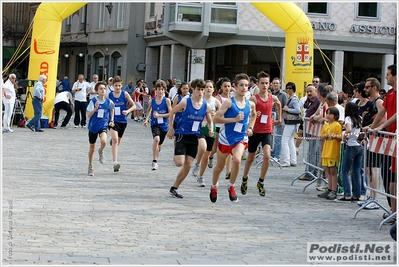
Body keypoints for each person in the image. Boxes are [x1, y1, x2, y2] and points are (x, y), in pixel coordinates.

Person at [209, 73, 256, 203]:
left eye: (246, 85)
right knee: (219, 167)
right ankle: (214, 186)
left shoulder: (250, 104)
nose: (244, 88)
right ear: (235, 87)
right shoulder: (229, 102)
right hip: (226, 138)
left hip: (241, 137)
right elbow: (216, 118)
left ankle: (232, 186)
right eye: (241, 85)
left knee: (237, 159)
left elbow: (253, 115)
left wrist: (250, 127)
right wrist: (233, 119)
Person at [166, 78, 214, 199]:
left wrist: (211, 128)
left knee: (187, 165)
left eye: (202, 89)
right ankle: (178, 152)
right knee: (179, 163)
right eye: (198, 89)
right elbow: (172, 112)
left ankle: (174, 188)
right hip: (182, 134)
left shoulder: (205, 105)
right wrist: (171, 128)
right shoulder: (185, 102)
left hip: (194, 136)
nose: (201, 92)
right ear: (193, 89)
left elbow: (209, 118)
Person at [240, 71, 281, 197]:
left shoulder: (272, 97)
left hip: (267, 130)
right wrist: (254, 114)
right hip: (255, 131)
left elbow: (279, 104)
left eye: (267, 83)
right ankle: (245, 178)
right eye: (262, 83)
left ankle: (261, 181)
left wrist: (279, 119)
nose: (265, 85)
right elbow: (247, 111)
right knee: (251, 158)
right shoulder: (254, 98)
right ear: (257, 84)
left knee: (267, 156)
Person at [369, 65, 397, 221]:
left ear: (395, 76)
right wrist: (373, 128)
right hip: (388, 141)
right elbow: (382, 112)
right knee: (388, 178)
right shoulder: (391, 93)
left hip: (394, 138)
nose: (385, 77)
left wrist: (381, 127)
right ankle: (393, 211)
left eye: (388, 74)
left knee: (394, 180)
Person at [192, 80, 221, 187]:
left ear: (214, 89)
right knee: (202, 147)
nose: (208, 89)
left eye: (210, 87)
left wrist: (216, 114)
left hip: (211, 129)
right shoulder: (199, 100)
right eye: (206, 87)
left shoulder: (216, 101)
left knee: (207, 155)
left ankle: (201, 176)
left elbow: (222, 112)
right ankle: (197, 164)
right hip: (200, 128)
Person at [335, 102, 363, 202]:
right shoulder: (359, 118)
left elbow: (349, 129)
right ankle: (356, 194)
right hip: (359, 146)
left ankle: (347, 194)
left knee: (345, 170)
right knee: (356, 171)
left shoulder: (348, 118)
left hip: (351, 145)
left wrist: (345, 135)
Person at [86, 81, 115, 176]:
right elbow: (88, 115)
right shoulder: (93, 101)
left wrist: (111, 120)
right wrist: (95, 109)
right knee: (92, 148)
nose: (103, 90)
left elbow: (112, 109)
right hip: (93, 126)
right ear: (97, 91)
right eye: (101, 89)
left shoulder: (108, 101)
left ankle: (101, 151)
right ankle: (90, 166)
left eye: (104, 88)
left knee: (104, 141)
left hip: (103, 125)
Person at [108, 76, 136, 172]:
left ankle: (114, 140)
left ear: (122, 85)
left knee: (117, 141)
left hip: (123, 121)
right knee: (115, 140)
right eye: (115, 85)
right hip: (112, 120)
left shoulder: (125, 94)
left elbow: (134, 106)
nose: (117, 87)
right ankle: (115, 162)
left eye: (119, 85)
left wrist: (127, 111)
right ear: (112, 86)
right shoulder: (109, 95)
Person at [143, 80, 172, 171]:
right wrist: (146, 120)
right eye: (158, 89)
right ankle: (154, 161)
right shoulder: (152, 101)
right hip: (155, 124)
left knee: (159, 144)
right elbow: (148, 110)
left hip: (164, 125)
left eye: (162, 89)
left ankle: (157, 151)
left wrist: (160, 115)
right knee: (156, 139)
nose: (160, 91)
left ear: (164, 90)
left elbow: (170, 113)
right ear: (155, 90)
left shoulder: (167, 100)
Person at [208, 77, 233, 180]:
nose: (227, 88)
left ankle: (228, 171)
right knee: (215, 148)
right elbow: (214, 111)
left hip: (229, 126)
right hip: (219, 126)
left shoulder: (233, 98)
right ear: (221, 87)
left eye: (228, 86)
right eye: (225, 86)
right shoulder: (218, 98)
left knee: (230, 149)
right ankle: (210, 156)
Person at [296, 85, 321, 180]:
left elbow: (319, 114)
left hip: (316, 131)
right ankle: (312, 171)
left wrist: (313, 118)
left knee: (313, 152)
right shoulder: (309, 101)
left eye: (311, 91)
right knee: (313, 152)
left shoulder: (318, 101)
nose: (309, 93)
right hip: (311, 130)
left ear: (316, 91)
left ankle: (310, 173)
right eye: (307, 92)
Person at [317, 106, 342, 200]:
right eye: (327, 113)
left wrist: (334, 136)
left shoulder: (337, 125)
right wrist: (325, 136)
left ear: (335, 116)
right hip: (326, 151)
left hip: (333, 151)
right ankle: (329, 188)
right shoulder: (326, 125)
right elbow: (321, 136)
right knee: (327, 170)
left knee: (333, 171)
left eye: (330, 114)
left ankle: (333, 190)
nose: (328, 115)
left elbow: (340, 137)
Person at [281, 82, 300, 167]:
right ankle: (293, 160)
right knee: (290, 141)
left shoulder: (294, 99)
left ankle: (287, 160)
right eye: (287, 88)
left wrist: (288, 109)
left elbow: (298, 110)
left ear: (293, 89)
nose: (288, 90)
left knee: (284, 141)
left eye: (290, 88)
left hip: (291, 121)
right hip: (290, 122)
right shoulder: (291, 98)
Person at [270, 77, 287, 162]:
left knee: (278, 138)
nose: (275, 84)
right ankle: (271, 154)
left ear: (280, 85)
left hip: (278, 118)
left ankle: (277, 156)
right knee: (271, 138)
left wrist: (281, 118)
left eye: (277, 83)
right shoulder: (270, 94)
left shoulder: (283, 95)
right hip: (270, 119)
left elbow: (285, 106)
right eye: (274, 83)